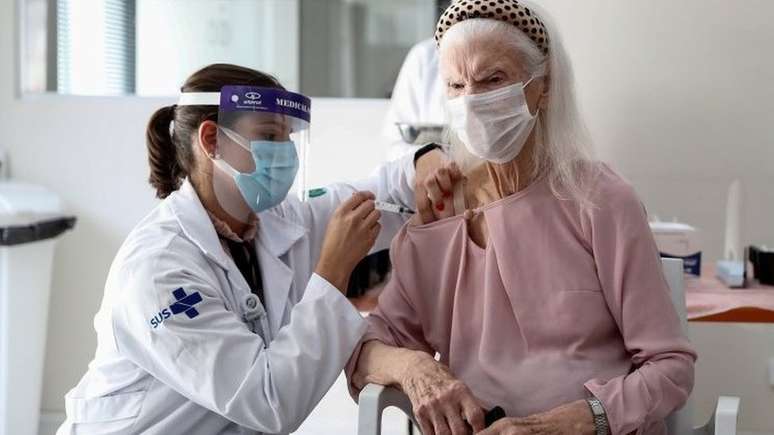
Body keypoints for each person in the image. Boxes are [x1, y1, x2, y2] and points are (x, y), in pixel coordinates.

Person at [347, 2, 697, 435]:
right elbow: (364, 351)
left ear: (543, 86)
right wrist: (414, 366)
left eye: (493, 79)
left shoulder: (601, 200)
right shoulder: (436, 218)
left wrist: (573, 421)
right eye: (457, 85)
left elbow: (670, 368)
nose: (472, 101)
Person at [57, 63, 444, 435]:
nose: (285, 154)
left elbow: (380, 192)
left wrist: (427, 161)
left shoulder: (275, 222)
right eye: (269, 137)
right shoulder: (158, 269)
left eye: (287, 139)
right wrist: (333, 271)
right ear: (212, 141)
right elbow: (269, 402)